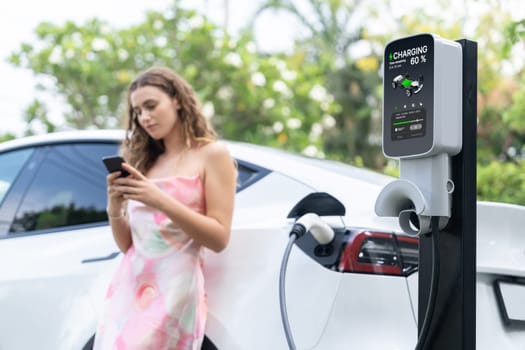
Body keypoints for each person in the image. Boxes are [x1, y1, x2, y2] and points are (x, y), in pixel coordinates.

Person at [94, 66, 237, 350]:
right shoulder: (145, 163)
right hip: (129, 290)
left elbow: (219, 237)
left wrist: (158, 198)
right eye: (137, 111)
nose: (144, 117)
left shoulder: (212, 155)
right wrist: (115, 205)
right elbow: (130, 246)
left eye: (151, 105)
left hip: (175, 292)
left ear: (177, 100)